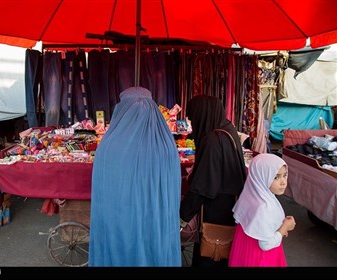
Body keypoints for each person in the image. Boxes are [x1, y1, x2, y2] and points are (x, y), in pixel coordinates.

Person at [88, 86, 182, 266]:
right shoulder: (167, 146)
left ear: (120, 110)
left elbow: (103, 198)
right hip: (156, 225)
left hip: (119, 228)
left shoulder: (108, 147)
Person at [179, 95, 246, 267]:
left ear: (203, 115)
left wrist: (182, 217)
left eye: (193, 119)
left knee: (210, 255)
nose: (192, 125)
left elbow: (201, 186)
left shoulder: (213, 140)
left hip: (216, 212)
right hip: (229, 206)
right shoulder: (227, 129)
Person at [229, 153, 295, 267]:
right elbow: (266, 244)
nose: (283, 182)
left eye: (285, 175)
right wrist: (285, 227)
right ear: (260, 176)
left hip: (245, 252)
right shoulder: (265, 207)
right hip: (260, 258)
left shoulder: (251, 195)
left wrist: (278, 224)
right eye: (276, 177)